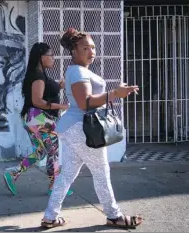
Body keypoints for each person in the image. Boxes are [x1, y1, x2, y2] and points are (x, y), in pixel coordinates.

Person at [40, 28, 143, 229]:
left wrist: (115, 91)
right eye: (85, 47)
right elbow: (85, 102)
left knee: (67, 174)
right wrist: (115, 93)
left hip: (73, 127)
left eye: (93, 47)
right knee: (101, 171)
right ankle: (114, 215)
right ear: (74, 51)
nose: (91, 51)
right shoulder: (78, 71)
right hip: (81, 128)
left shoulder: (79, 70)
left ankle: (50, 217)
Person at [3, 42, 73, 196]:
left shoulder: (39, 74)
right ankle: (54, 185)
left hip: (34, 118)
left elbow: (45, 92)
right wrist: (62, 106)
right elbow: (38, 101)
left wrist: (59, 86)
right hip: (39, 118)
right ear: (42, 57)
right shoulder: (38, 76)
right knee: (53, 151)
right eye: (51, 55)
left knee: (41, 152)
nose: (53, 58)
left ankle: (13, 174)